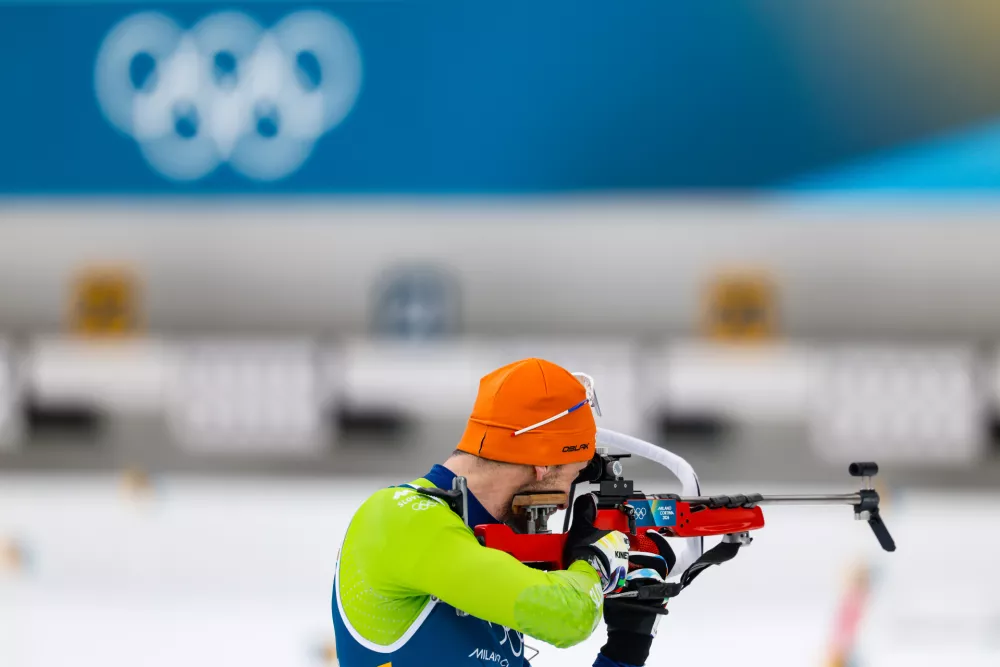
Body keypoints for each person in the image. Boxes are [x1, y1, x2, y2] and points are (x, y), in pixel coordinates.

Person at [331, 358, 676, 667]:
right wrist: (595, 562)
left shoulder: (474, 544)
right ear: (543, 463)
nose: (563, 503)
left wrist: (627, 647)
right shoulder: (399, 517)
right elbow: (568, 618)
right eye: (573, 475)